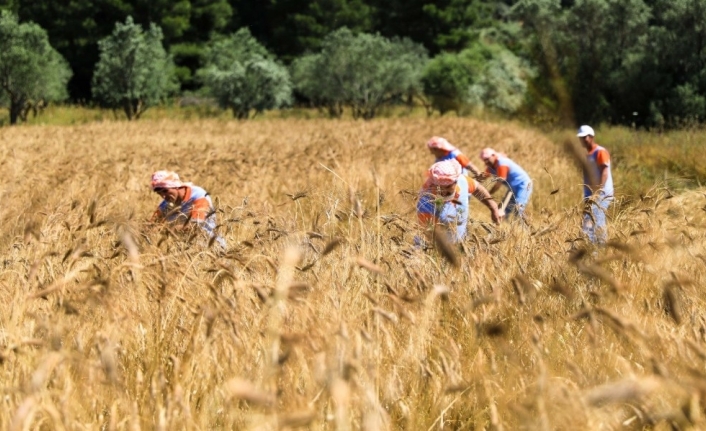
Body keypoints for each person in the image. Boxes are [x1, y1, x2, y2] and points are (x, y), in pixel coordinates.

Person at [417, 160, 502, 244]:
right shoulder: (426, 202)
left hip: (460, 244)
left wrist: (493, 207)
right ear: (433, 183)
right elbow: (429, 236)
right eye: (439, 187)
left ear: (456, 181)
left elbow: (477, 188)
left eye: (447, 187)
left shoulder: (462, 181)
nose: (443, 191)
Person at [150, 170, 225, 247]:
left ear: (176, 186)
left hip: (212, 246)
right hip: (184, 251)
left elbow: (196, 225)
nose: (163, 196)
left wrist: (166, 230)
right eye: (159, 193)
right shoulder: (164, 205)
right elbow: (150, 227)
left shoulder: (199, 196)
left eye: (166, 191)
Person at [577, 125, 613, 244]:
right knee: (588, 221)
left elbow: (604, 172)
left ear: (591, 137)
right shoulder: (589, 155)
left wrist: (598, 190)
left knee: (597, 221)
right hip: (591, 194)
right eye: (581, 137)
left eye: (585, 137)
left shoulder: (600, 152)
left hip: (601, 193)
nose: (583, 140)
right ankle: (592, 249)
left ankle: (599, 250)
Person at [479, 148, 533, 221]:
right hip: (512, 188)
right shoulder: (491, 167)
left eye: (487, 159)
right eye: (484, 160)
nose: (486, 162)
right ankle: (505, 228)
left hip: (523, 185)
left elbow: (499, 183)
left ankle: (525, 228)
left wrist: (488, 194)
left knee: (518, 208)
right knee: (504, 210)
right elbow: (482, 178)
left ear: (493, 155)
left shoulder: (501, 163)